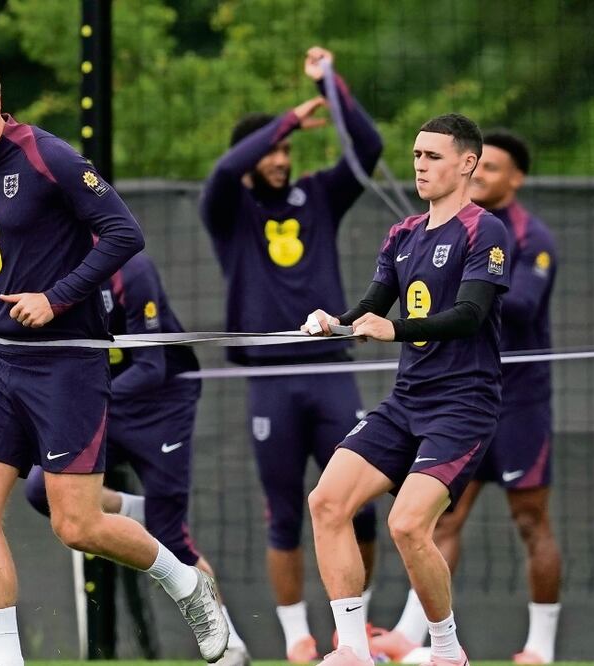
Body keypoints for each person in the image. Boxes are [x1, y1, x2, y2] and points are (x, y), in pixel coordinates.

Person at [0, 48, 228, 666]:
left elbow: (125, 234)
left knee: (76, 526)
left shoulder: (47, 157)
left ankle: (188, 584)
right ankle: (7, 661)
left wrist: (55, 299)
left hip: (67, 363)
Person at [303, 113, 511, 666]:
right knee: (326, 502)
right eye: (417, 155)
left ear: (467, 163)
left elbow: (469, 315)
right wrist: (335, 321)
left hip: (462, 405)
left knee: (407, 525)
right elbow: (370, 307)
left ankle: (447, 651)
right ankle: (352, 650)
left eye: (433, 156)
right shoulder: (402, 234)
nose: (420, 165)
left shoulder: (484, 230)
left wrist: (392, 329)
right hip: (407, 401)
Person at [198, 46, 382, 662]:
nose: (281, 159)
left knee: (359, 507)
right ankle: (296, 637)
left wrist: (330, 85)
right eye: (271, 151)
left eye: (286, 150)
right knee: (283, 511)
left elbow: (369, 148)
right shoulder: (229, 210)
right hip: (270, 381)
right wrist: (284, 121)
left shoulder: (319, 196)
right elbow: (224, 171)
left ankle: (354, 631)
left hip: (329, 371)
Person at [370, 131, 561, 664]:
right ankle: (411, 634)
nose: (480, 176)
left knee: (531, 521)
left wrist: (458, 280)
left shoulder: (526, 236)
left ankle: (541, 646)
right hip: (457, 402)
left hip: (519, 402)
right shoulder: (430, 230)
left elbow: (519, 304)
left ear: (516, 178)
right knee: (438, 521)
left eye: (492, 168)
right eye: (478, 167)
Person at [23, 251, 250, 666]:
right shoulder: (49, 267)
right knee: (41, 488)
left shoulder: (131, 269)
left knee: (171, 535)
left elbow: (151, 368)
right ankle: (136, 510)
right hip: (105, 405)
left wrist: (83, 404)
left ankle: (231, 644)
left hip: (161, 405)